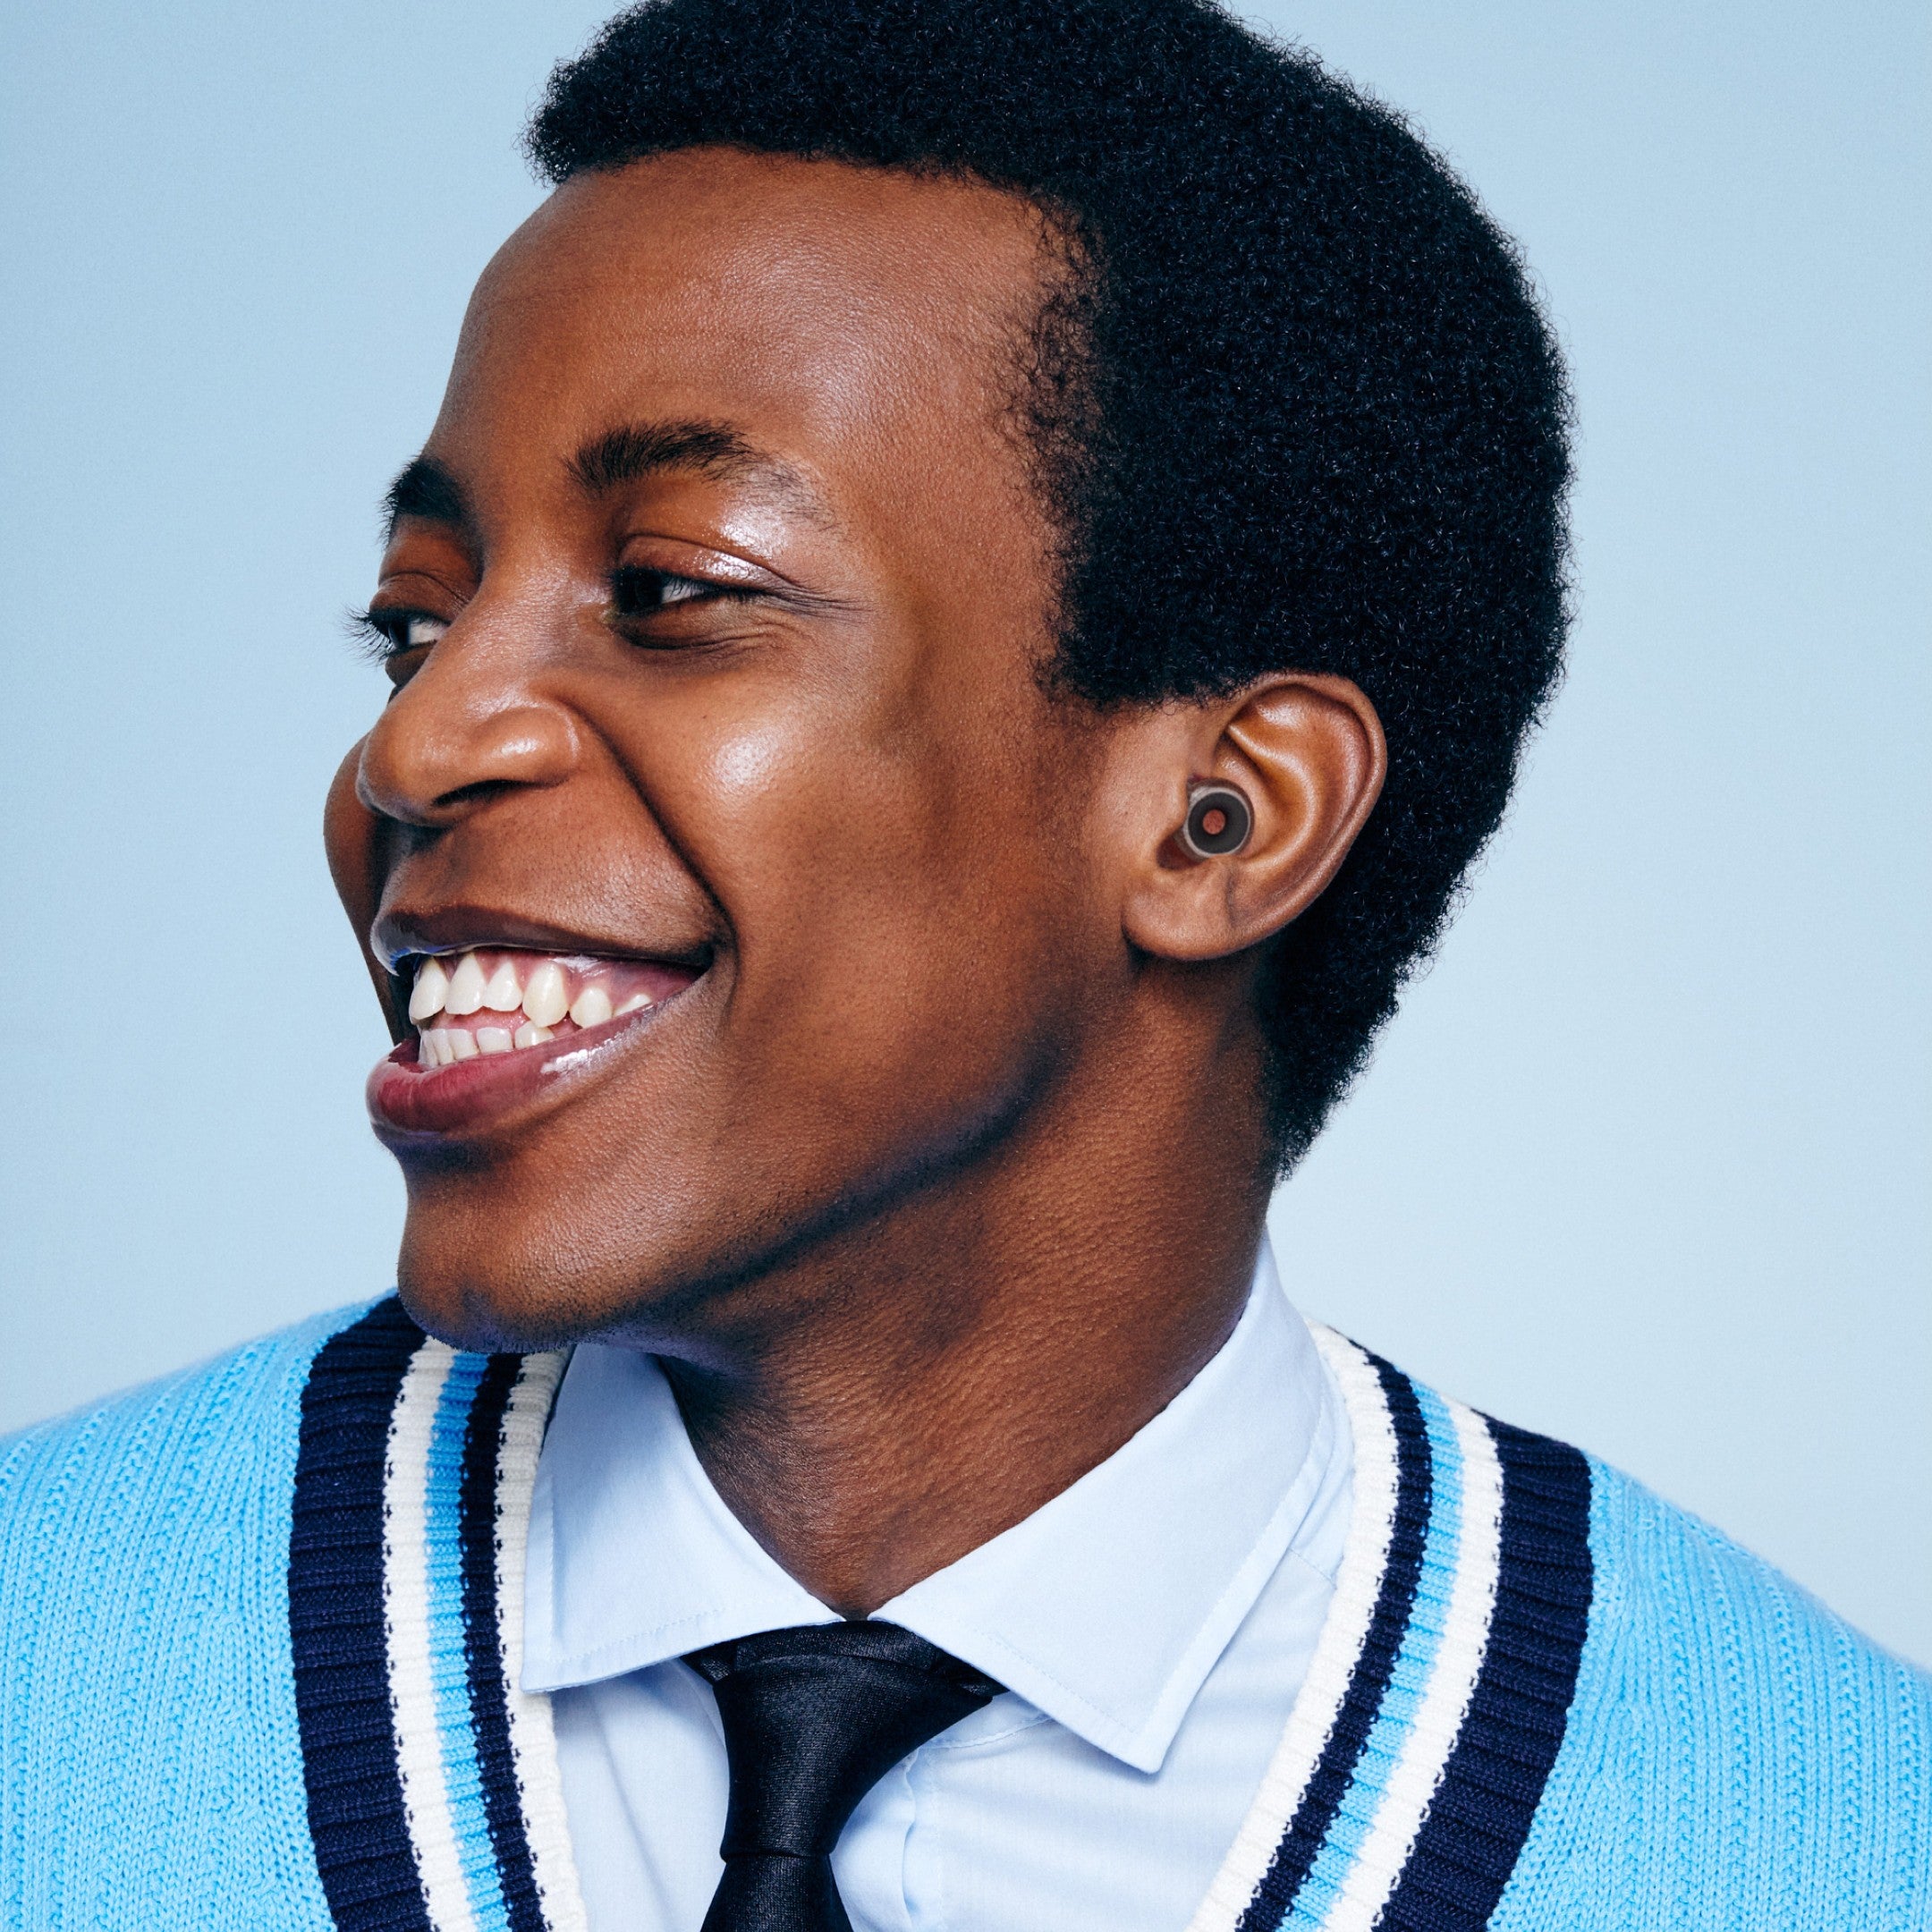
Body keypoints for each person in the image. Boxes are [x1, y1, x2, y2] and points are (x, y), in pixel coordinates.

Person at [2, 0, 1925, 1927]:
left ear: (1222, 820)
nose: (416, 749)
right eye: (413, 625)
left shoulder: (1831, 1849)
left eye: (673, 594)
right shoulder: (46, 1665)